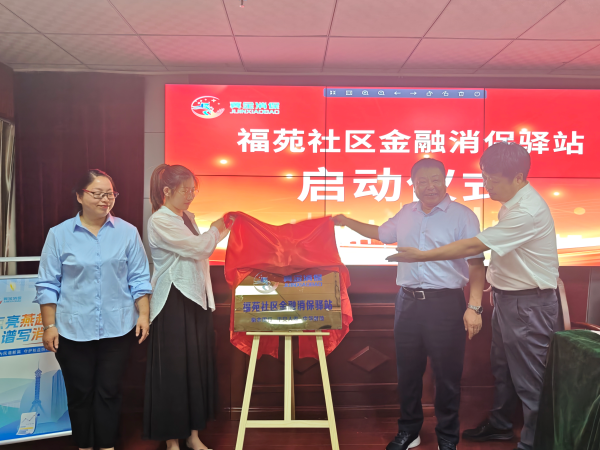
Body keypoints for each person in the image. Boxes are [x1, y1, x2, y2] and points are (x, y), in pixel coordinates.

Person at [387, 143, 559, 450]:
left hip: (528, 303)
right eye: (485, 177)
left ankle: (533, 444)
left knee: (529, 380)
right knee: (503, 370)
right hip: (508, 300)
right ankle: (501, 425)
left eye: (493, 179)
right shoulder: (511, 202)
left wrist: (422, 256)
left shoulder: (526, 212)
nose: (486, 185)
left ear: (518, 178)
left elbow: (473, 248)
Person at [333, 158, 485, 450]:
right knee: (408, 373)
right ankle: (409, 430)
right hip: (408, 303)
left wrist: (474, 306)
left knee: (447, 375)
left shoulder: (463, 216)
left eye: (436, 180)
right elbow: (381, 233)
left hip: (446, 304)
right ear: (413, 184)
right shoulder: (406, 213)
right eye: (422, 181)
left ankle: (447, 437)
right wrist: (346, 221)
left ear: (445, 180)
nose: (430, 186)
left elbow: (476, 264)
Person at [36, 169, 152, 450]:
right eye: (98, 193)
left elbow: (139, 278)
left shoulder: (127, 232)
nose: (105, 199)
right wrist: (49, 326)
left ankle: (107, 445)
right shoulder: (59, 234)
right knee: (80, 393)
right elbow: (48, 283)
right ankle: (85, 446)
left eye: (110, 194)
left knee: (109, 391)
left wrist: (144, 315)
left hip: (118, 327)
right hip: (72, 329)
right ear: (79, 196)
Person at [143, 164, 231, 450]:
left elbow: (202, 246)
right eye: (186, 190)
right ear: (167, 191)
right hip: (172, 301)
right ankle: (172, 442)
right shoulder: (160, 220)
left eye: (193, 190)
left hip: (195, 299)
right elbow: (199, 248)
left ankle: (193, 436)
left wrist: (226, 227)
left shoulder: (187, 218)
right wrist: (217, 228)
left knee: (195, 369)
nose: (191, 195)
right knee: (174, 372)